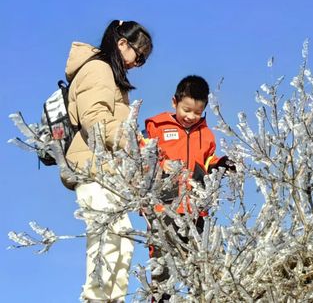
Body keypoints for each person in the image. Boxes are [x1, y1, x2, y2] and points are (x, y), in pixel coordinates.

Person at [65, 20, 153, 302]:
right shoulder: (99, 69)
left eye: (143, 61)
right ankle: (96, 299)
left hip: (107, 173)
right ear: (122, 44)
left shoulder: (109, 75)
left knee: (121, 240)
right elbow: (94, 121)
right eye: (138, 56)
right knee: (106, 242)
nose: (137, 64)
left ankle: (113, 299)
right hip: (92, 170)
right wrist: (132, 142)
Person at [144, 75, 235, 301]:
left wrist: (220, 163)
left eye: (197, 112)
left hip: (196, 208)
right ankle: (161, 298)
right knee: (163, 259)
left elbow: (207, 161)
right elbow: (143, 154)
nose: (191, 117)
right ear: (174, 102)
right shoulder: (157, 127)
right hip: (164, 207)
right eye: (187, 110)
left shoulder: (206, 134)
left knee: (201, 261)